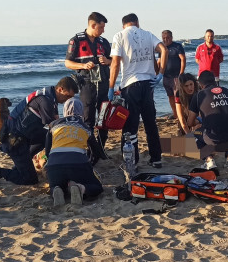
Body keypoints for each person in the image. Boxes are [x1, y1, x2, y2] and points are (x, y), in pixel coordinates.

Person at [0, 76, 78, 186]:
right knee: (30, 180)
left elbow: (55, 123)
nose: (67, 100)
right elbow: (55, 128)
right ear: (60, 89)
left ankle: (23, 163)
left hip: (23, 133)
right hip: (14, 139)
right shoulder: (46, 101)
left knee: (46, 137)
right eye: (67, 96)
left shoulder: (49, 96)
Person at [109, 13, 167, 168]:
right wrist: (160, 73)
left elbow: (115, 63)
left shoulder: (119, 36)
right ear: (137, 23)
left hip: (130, 84)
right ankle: (156, 158)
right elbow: (163, 50)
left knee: (130, 126)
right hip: (148, 84)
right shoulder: (148, 34)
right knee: (150, 123)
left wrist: (110, 86)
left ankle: (132, 161)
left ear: (123, 25)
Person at [45, 98, 107, 206]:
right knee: (97, 187)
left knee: (54, 184)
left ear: (64, 110)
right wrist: (89, 164)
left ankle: (57, 189)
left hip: (54, 165)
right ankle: (80, 188)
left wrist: (47, 161)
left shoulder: (53, 125)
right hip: (78, 164)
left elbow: (47, 150)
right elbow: (96, 152)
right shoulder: (86, 127)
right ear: (81, 111)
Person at [64, 12, 112, 147]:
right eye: (101, 28)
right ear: (93, 25)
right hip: (86, 86)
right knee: (88, 119)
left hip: (103, 86)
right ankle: (90, 148)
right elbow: (67, 63)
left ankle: (101, 147)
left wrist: (107, 60)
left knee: (104, 118)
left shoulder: (103, 42)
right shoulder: (76, 41)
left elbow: (114, 61)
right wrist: (83, 65)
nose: (103, 31)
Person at [187, 71, 228, 170]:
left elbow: (190, 122)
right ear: (215, 81)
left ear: (200, 84)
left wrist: (200, 121)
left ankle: (209, 160)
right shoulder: (226, 90)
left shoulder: (198, 96)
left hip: (214, 137)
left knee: (196, 133)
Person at [159, 30, 186, 119]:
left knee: (178, 97)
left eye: (167, 38)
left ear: (171, 37)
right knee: (170, 96)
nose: (166, 40)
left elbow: (183, 59)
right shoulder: (162, 48)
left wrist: (181, 73)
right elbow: (159, 62)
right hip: (166, 77)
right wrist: (157, 74)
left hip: (176, 76)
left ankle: (182, 114)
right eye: (164, 38)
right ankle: (175, 114)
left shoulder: (177, 46)